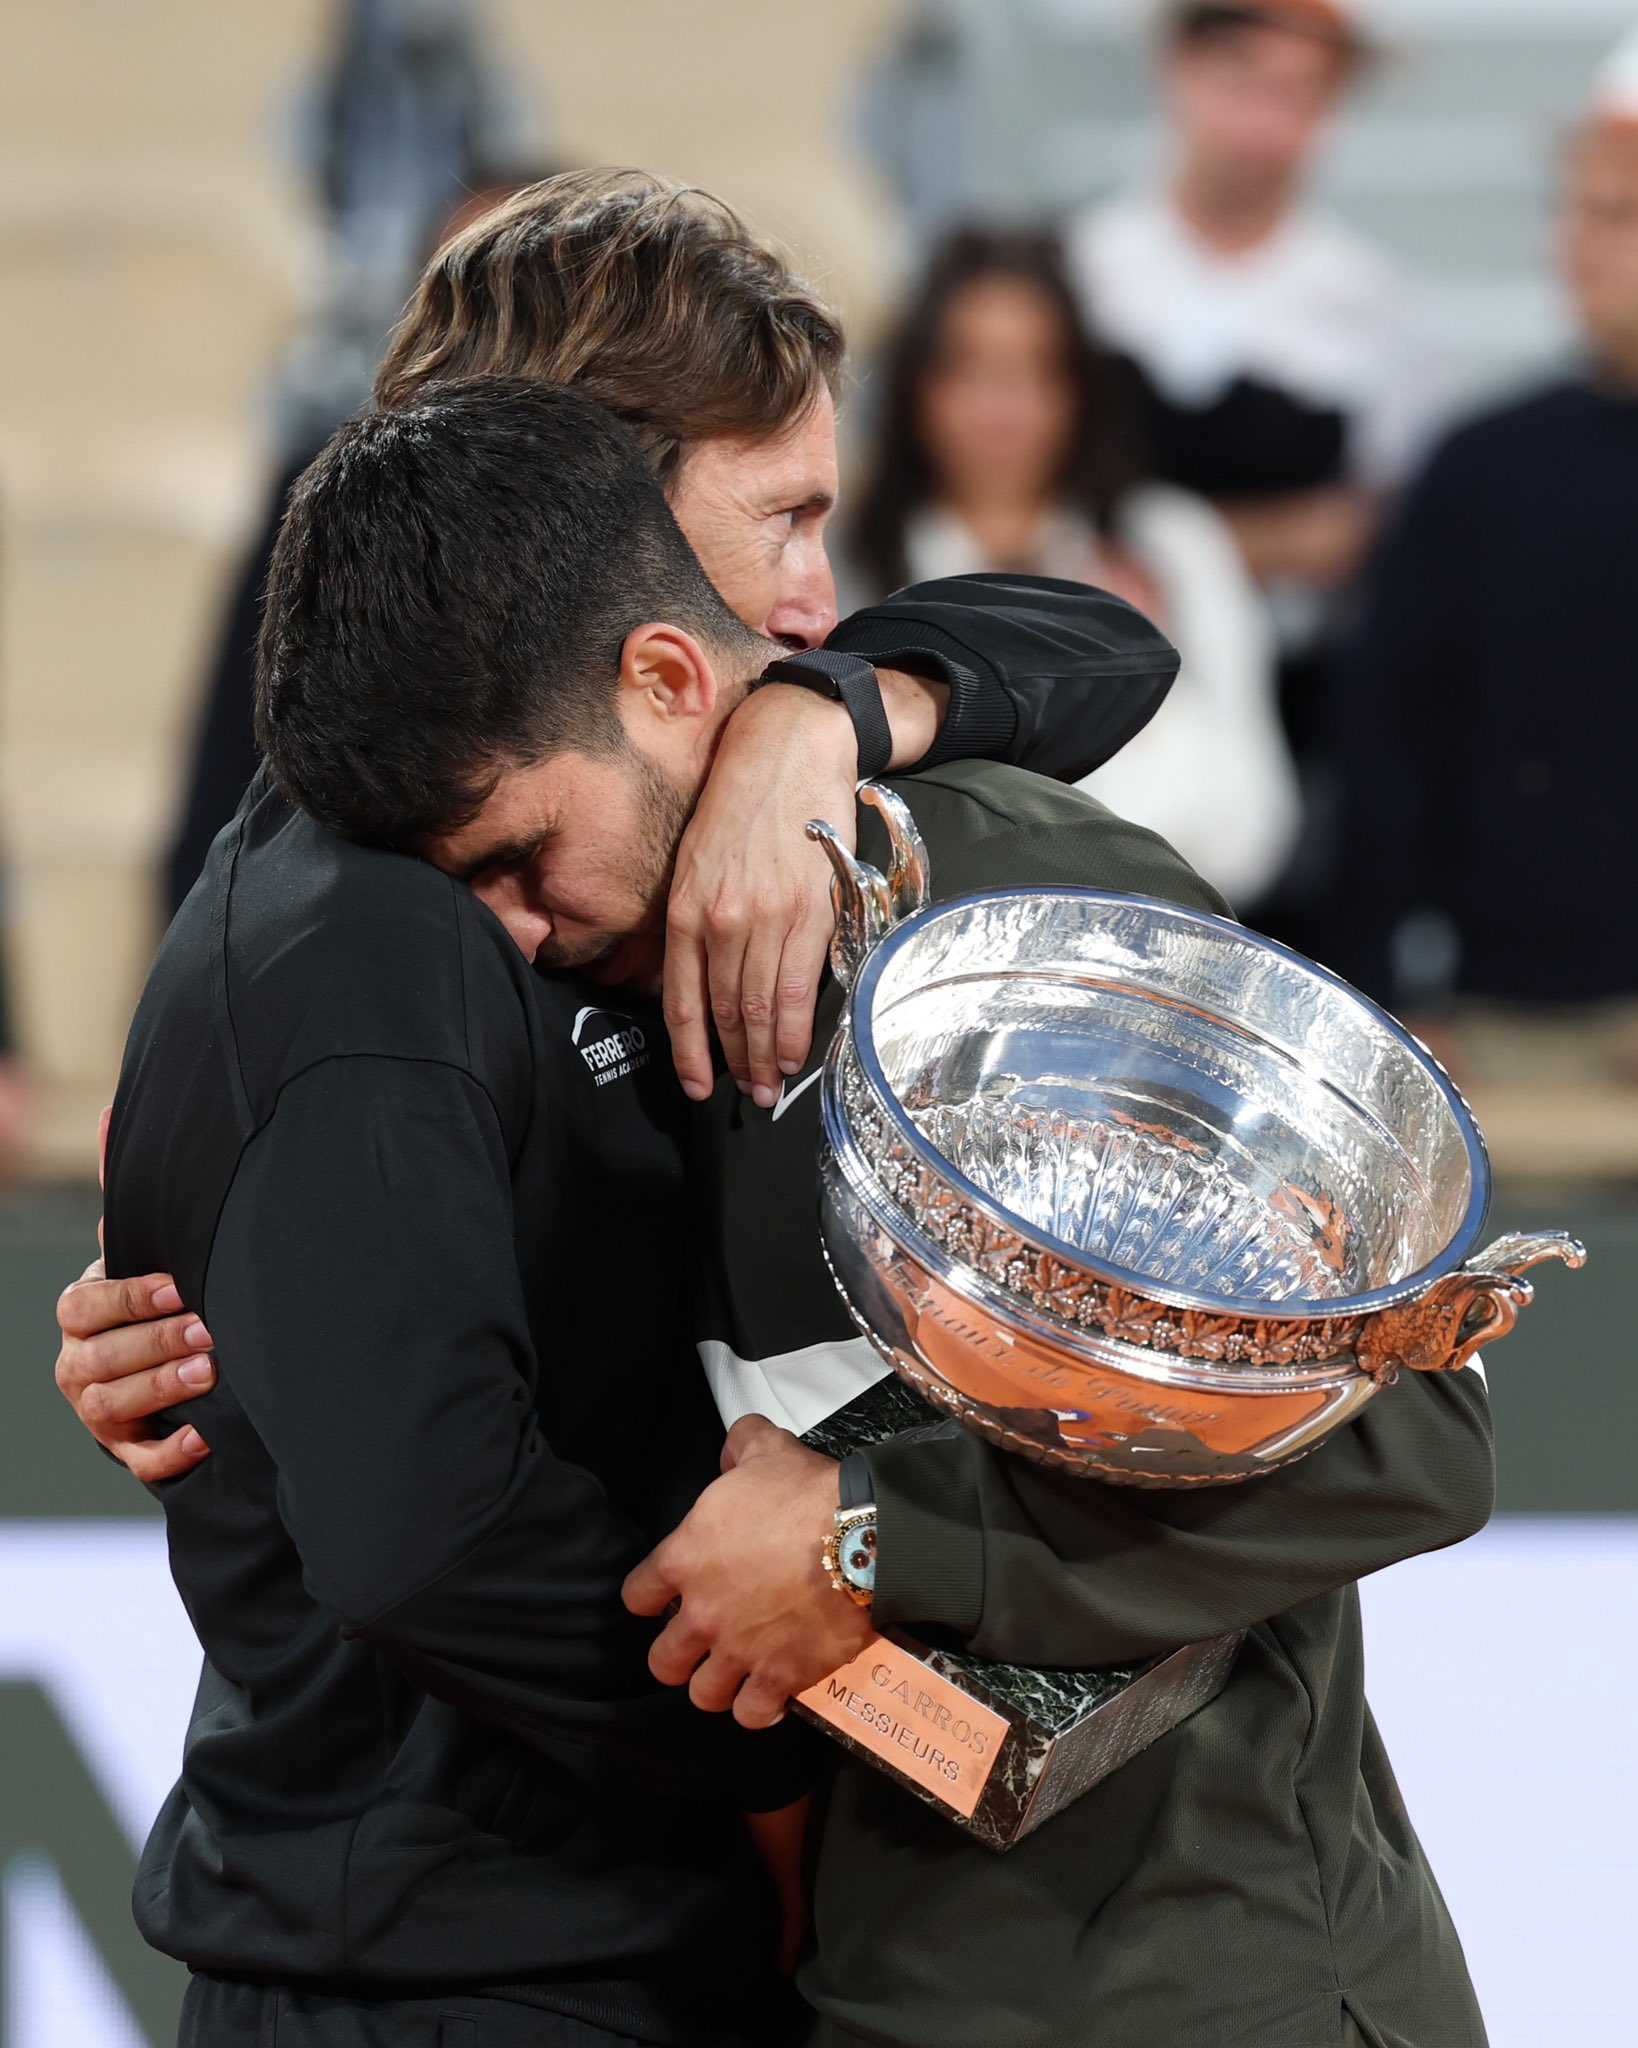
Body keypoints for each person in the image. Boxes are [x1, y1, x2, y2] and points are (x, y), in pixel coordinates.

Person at [1329, 31, 1638, 1085]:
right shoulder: (1483, 467)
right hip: (1513, 1023)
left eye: (1619, 214)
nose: (1576, 244)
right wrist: (1396, 990)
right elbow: (1387, 743)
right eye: (1575, 209)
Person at [848, 223, 1299, 909]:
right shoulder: (851, 559)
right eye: (970, 368)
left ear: (1079, 388)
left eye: (1035, 370)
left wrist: (1145, 701)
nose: (1003, 409)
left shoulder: (1170, 544)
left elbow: (1253, 821)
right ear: (917, 386)